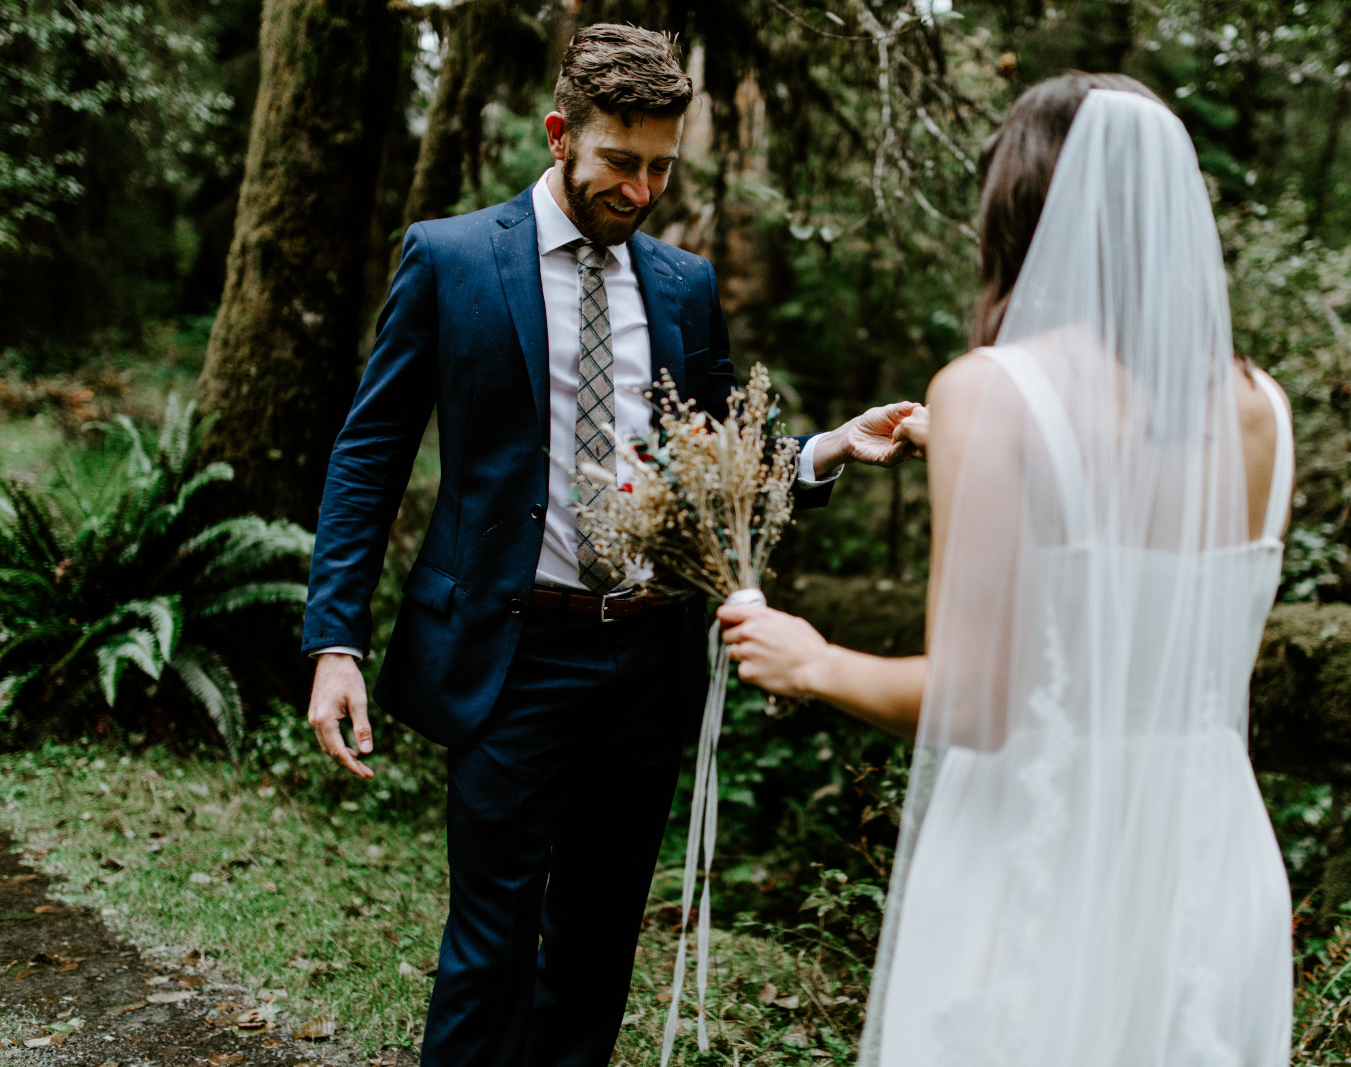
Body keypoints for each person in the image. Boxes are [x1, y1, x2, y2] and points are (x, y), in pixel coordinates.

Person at [300, 25, 919, 1067]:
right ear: (559, 134)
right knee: (489, 946)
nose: (639, 190)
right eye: (618, 164)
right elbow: (369, 455)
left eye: (660, 168)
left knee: (593, 948)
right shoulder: (449, 259)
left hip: (644, 660)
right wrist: (335, 641)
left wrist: (825, 450)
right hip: (510, 656)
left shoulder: (681, 284)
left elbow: (720, 456)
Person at [720, 72, 1295, 1065]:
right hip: (1207, 866)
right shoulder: (1262, 408)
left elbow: (980, 699)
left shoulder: (993, 392)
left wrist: (807, 657)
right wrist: (975, 444)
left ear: (1021, 211)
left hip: (1039, 854)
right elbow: (1144, 576)